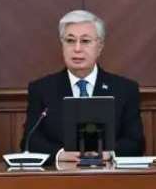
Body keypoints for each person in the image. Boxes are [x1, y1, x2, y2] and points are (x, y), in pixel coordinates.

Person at [20, 10, 144, 163]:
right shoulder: (42, 89)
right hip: (59, 179)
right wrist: (60, 154)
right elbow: (30, 141)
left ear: (100, 46)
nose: (77, 48)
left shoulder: (125, 89)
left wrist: (109, 154)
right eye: (70, 41)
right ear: (62, 44)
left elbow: (136, 142)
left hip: (110, 179)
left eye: (85, 41)